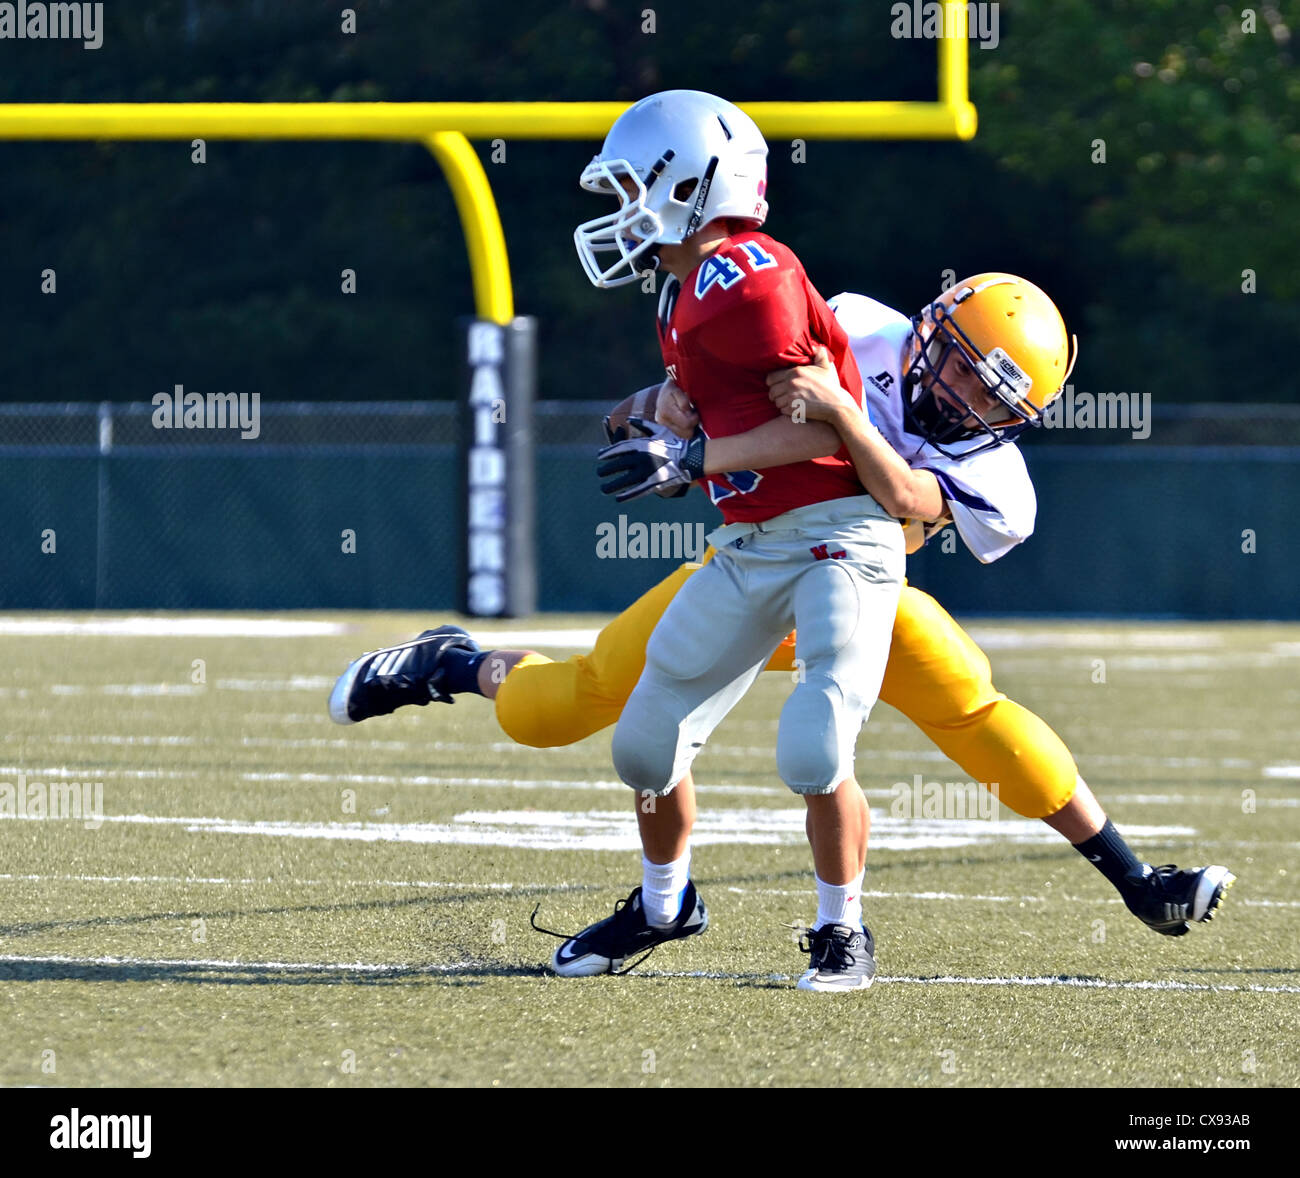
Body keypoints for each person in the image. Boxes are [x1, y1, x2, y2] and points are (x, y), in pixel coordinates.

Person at [329, 270, 1235, 982]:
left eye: (992, 397)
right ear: (930, 330)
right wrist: (662, 406)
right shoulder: (856, 326)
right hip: (752, 571)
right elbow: (710, 390)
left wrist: (841, 413)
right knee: (558, 711)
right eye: (960, 363)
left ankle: (1136, 883)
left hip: (857, 589)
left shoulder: (1001, 483)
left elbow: (908, 499)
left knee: (977, 715)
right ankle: (457, 665)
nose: (963, 396)